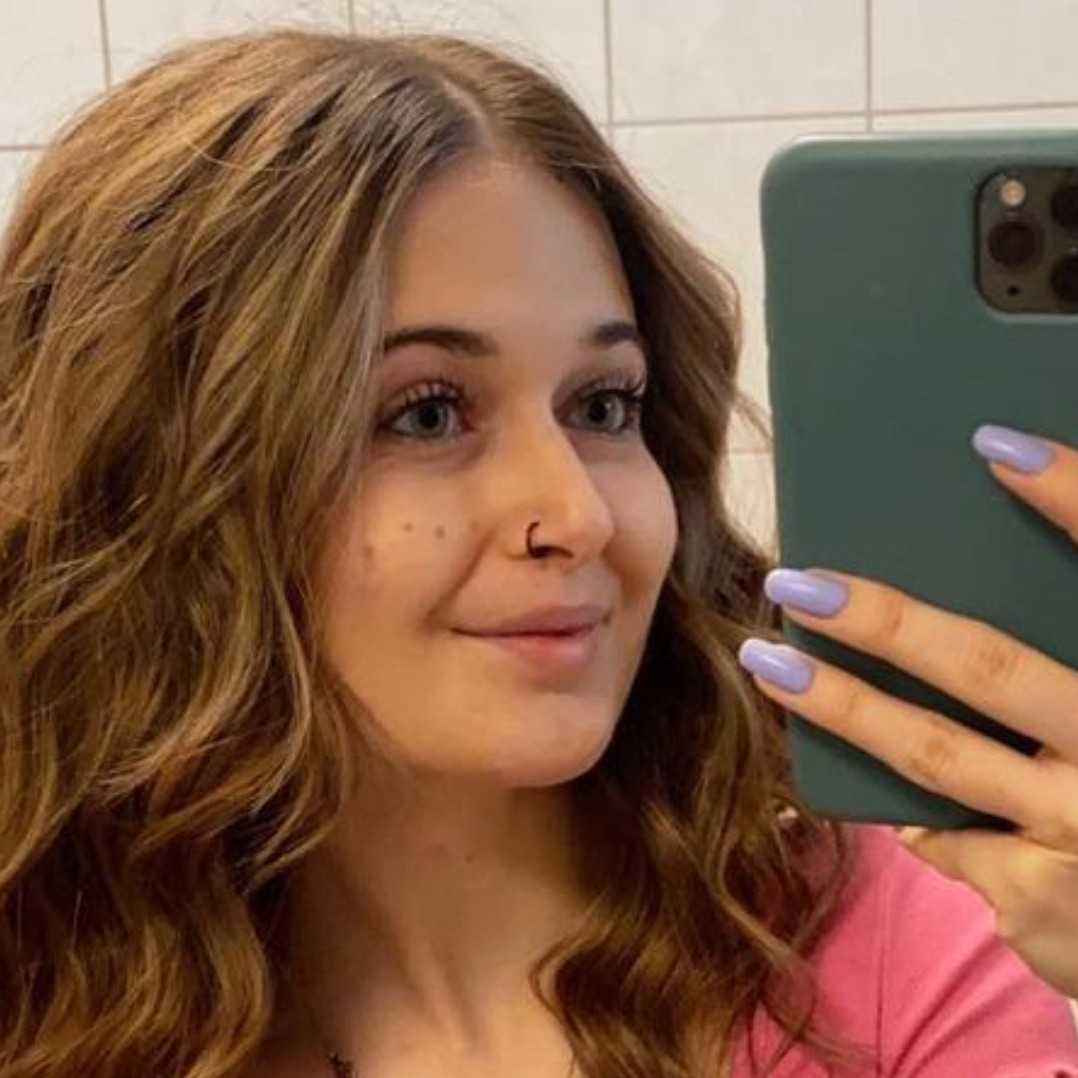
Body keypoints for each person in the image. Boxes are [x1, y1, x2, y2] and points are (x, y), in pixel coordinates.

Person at [0, 26, 1074, 1078]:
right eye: (426, 413)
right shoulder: (46, 999)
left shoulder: (881, 954)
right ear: (154, 488)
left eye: (603, 404)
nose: (580, 513)